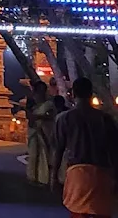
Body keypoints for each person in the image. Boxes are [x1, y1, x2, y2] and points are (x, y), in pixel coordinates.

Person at [51, 76, 118, 218]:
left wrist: (54, 176)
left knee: (78, 213)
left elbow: (59, 149)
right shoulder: (105, 119)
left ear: (73, 94)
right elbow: (114, 151)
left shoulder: (63, 119)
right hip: (101, 173)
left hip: (77, 175)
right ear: (91, 94)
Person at [26, 80, 56, 185]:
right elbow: (29, 116)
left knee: (45, 155)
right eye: (39, 91)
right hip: (34, 131)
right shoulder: (31, 102)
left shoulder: (49, 104)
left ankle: (44, 178)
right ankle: (32, 177)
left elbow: (51, 115)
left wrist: (38, 117)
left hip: (45, 131)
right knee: (34, 154)